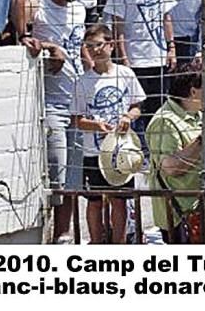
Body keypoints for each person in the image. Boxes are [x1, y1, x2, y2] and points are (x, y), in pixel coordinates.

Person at [71, 23, 145, 244]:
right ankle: (96, 241)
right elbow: (77, 120)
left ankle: (119, 244)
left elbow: (137, 106)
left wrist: (127, 118)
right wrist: (97, 126)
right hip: (94, 151)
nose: (95, 50)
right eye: (89, 46)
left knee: (119, 200)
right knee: (94, 201)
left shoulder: (125, 74)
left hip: (120, 150)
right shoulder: (83, 82)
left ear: (111, 45)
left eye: (99, 45)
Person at [30, 0, 86, 244]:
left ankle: (63, 235)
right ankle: (44, 237)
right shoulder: (35, 6)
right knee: (55, 175)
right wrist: (51, 47)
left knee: (73, 179)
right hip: (50, 102)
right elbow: (18, 40)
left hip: (77, 104)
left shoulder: (81, 9)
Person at [146, 65, 205, 244]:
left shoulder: (199, 115)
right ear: (193, 91)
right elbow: (171, 167)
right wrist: (203, 138)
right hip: (183, 215)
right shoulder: (165, 122)